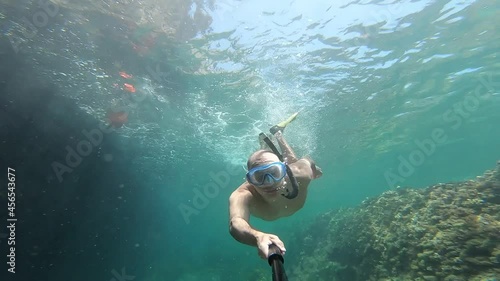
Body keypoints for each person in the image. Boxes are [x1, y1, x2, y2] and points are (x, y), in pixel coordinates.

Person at [228, 112, 323, 259]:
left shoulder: (301, 174)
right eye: (259, 177)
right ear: (250, 179)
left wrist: (314, 168)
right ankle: (266, 144)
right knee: (277, 160)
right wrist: (258, 237)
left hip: (290, 168)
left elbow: (307, 161)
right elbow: (236, 223)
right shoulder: (243, 195)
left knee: (292, 160)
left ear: (283, 171)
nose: (268, 182)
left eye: (274, 172)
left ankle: (278, 133)